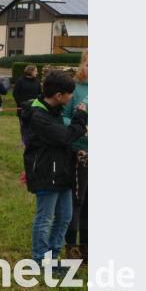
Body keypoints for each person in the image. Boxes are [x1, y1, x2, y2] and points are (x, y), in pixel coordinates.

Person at [22, 71, 87, 267]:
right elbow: (64, 136)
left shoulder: (55, 110)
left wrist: (77, 152)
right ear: (59, 96)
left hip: (62, 172)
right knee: (45, 218)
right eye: (70, 94)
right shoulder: (38, 114)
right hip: (46, 173)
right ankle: (41, 260)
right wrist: (80, 117)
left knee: (65, 216)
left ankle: (53, 256)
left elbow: (62, 142)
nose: (72, 98)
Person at [63, 50, 88, 263]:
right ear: (84, 65)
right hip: (79, 152)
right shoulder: (76, 88)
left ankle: (87, 248)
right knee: (77, 202)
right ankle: (71, 248)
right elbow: (62, 118)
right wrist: (80, 129)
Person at [13, 65, 41, 145]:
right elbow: (15, 94)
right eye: (35, 71)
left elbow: (40, 93)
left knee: (35, 125)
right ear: (30, 71)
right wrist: (22, 104)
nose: (37, 73)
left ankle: (34, 141)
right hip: (23, 108)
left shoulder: (37, 81)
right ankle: (24, 142)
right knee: (24, 125)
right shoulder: (20, 81)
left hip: (35, 108)